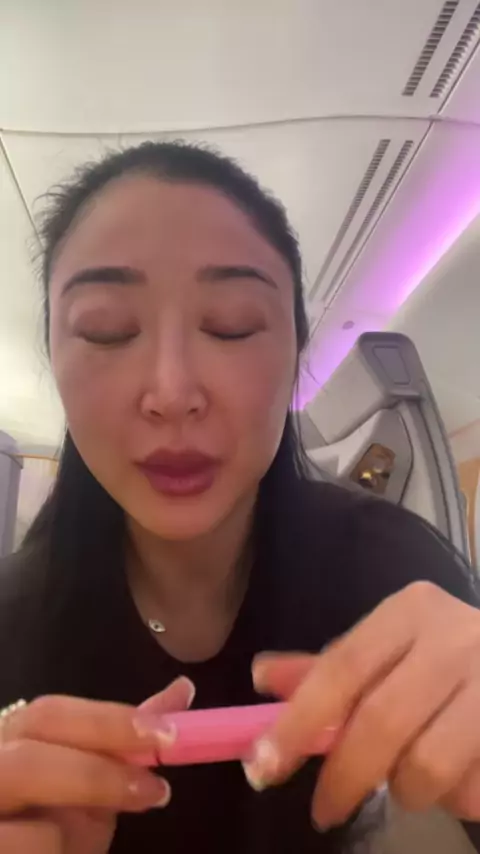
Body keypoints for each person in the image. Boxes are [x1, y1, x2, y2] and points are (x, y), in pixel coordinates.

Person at [1, 141, 480, 854]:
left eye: (232, 324)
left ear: (295, 354)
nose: (171, 393)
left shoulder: (395, 570)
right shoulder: (12, 622)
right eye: (107, 329)